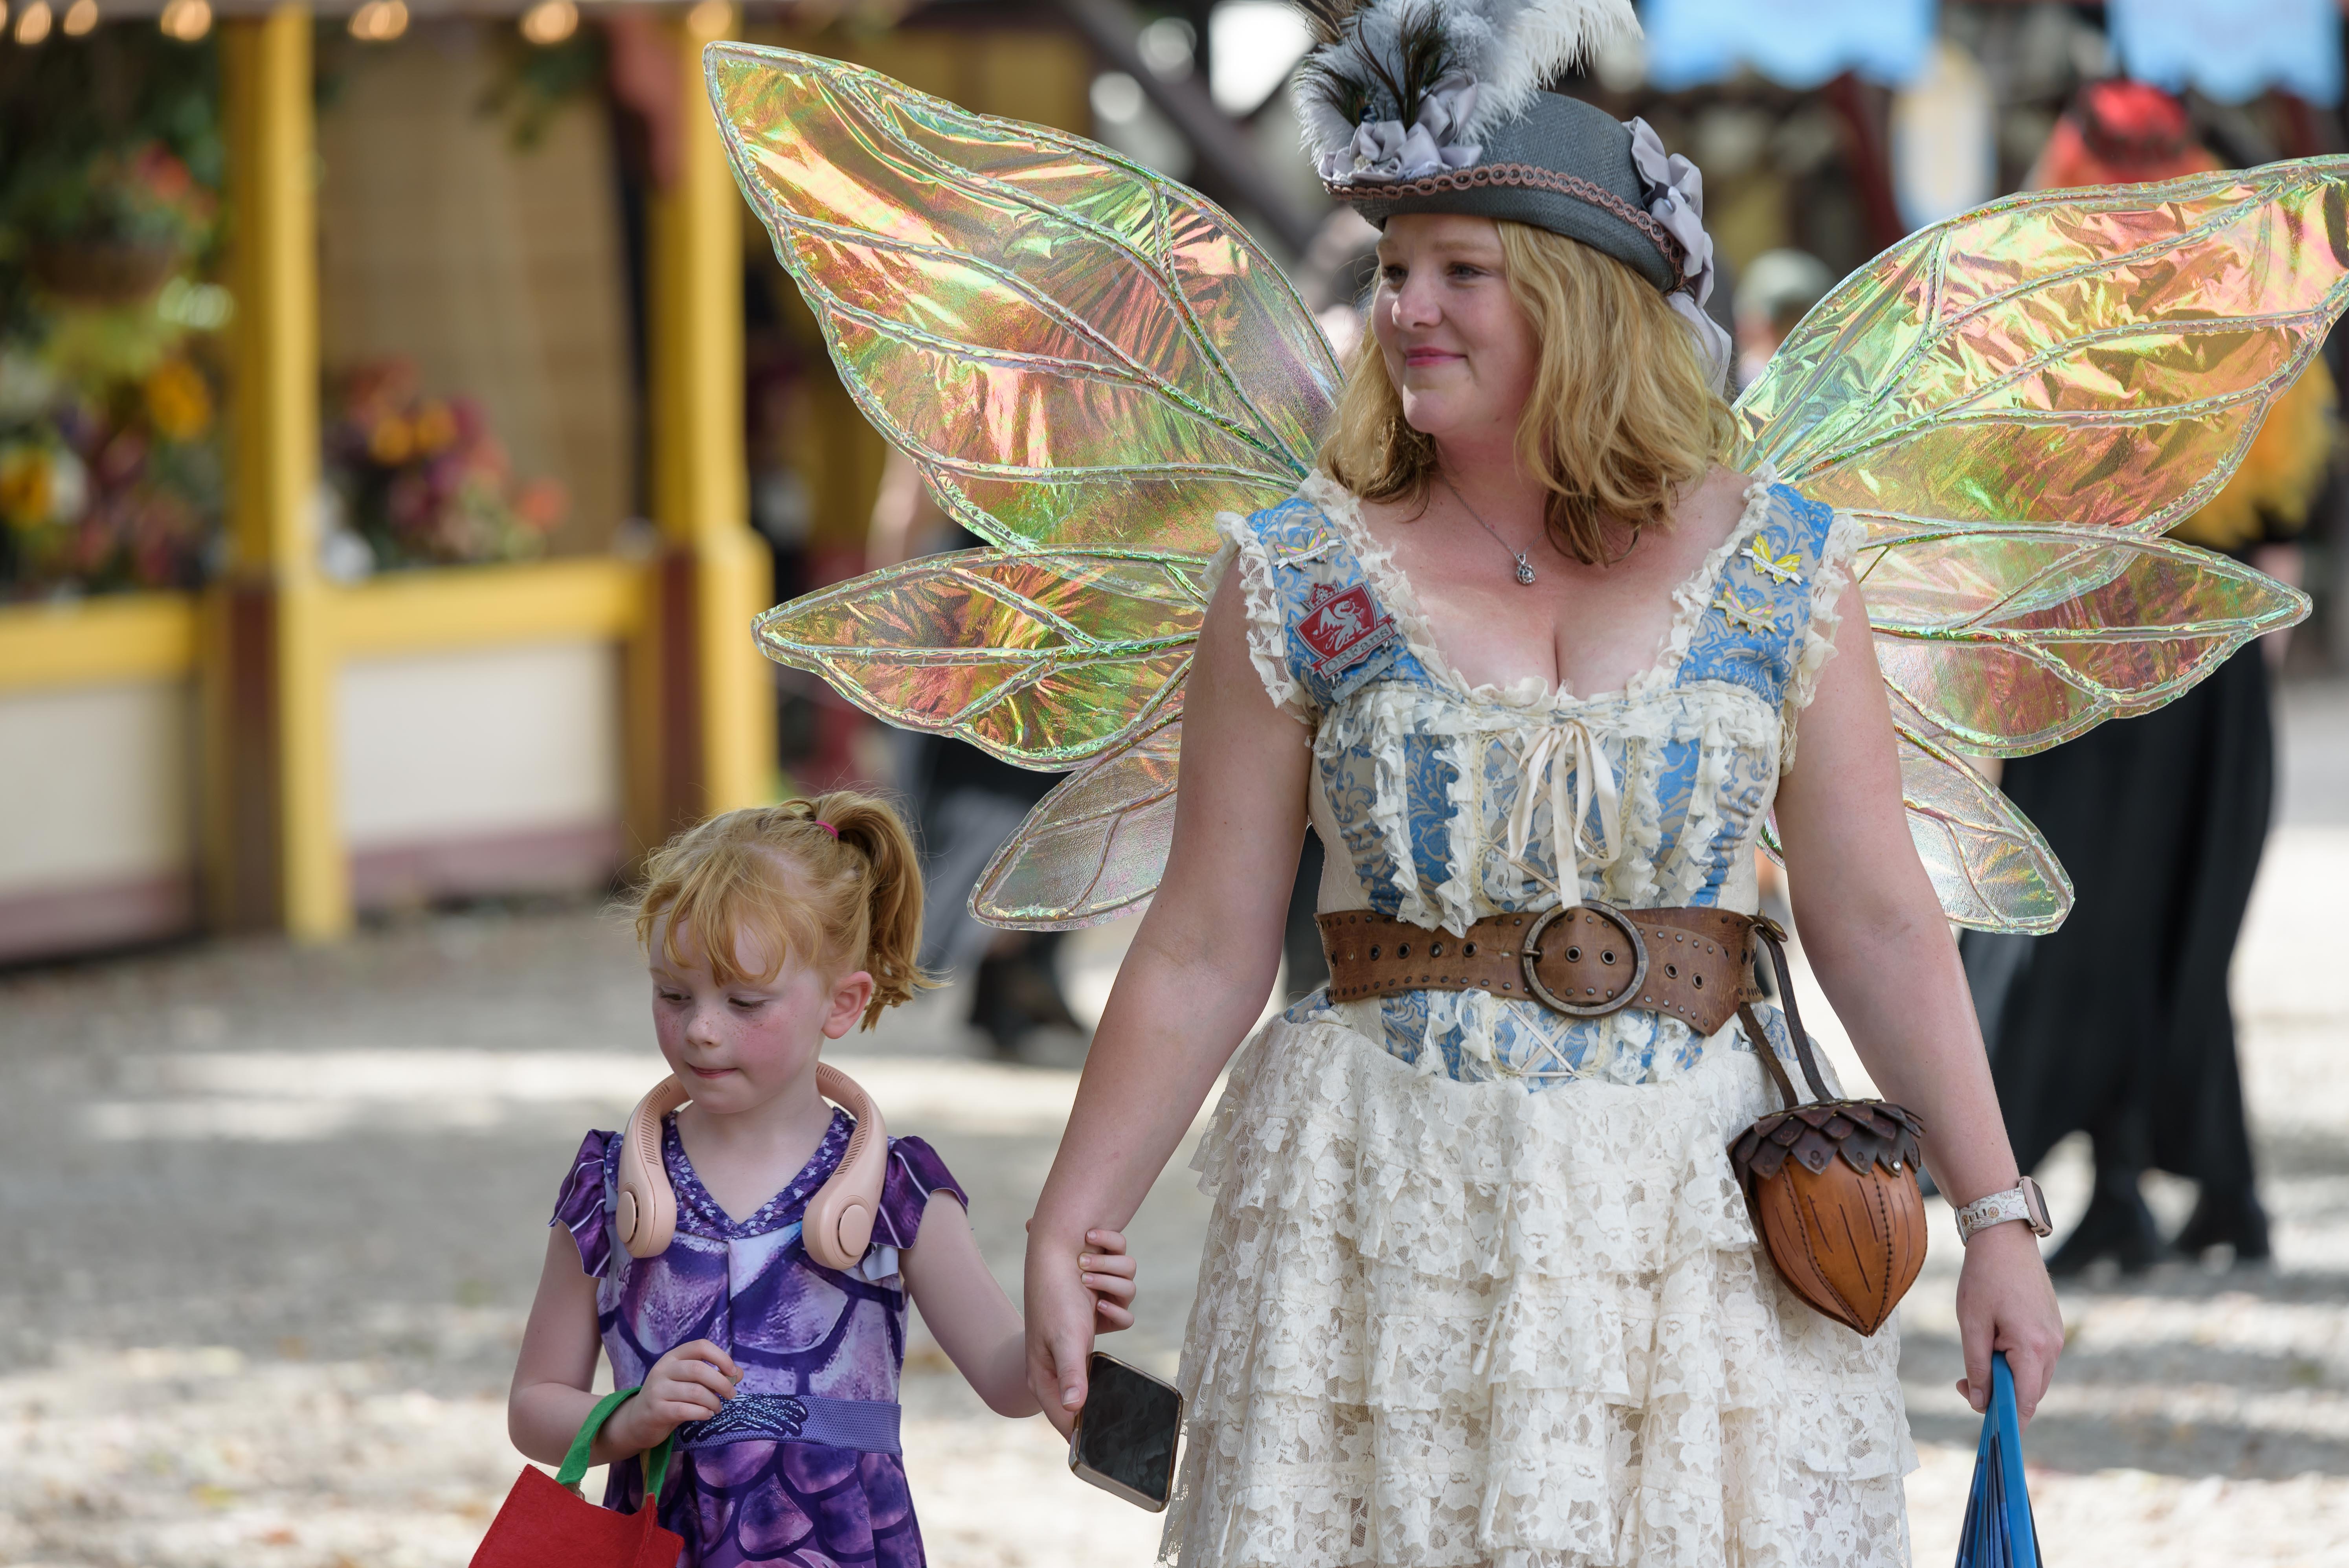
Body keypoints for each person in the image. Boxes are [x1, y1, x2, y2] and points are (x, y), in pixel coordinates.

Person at [1016, 37, 2063, 1568]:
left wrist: (1996, 1218)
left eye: (1460, 270)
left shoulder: (1780, 562)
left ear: (1583, 296)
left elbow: (1878, 913)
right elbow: (1198, 943)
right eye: (1392, 266)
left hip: (1694, 1216)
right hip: (1377, 1196)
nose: (1405, 308)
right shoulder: (1296, 569)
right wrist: (1069, 1215)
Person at [504, 793, 1137, 1566]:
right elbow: (534, 1407)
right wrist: (626, 1417)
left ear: (844, 1003)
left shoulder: (895, 1191)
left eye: (744, 1001)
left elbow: (1007, 1382)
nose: (701, 1027)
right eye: (673, 994)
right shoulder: (609, 1183)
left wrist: (1063, 1310)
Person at [1960, 79, 2333, 1273]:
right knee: (2154, 910)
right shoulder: (2231, 276)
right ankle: (2165, 1177)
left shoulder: (2043, 279)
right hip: (2157, 632)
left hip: (2106, 628)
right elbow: (2291, 477)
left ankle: (2137, 1176)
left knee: (2124, 910)